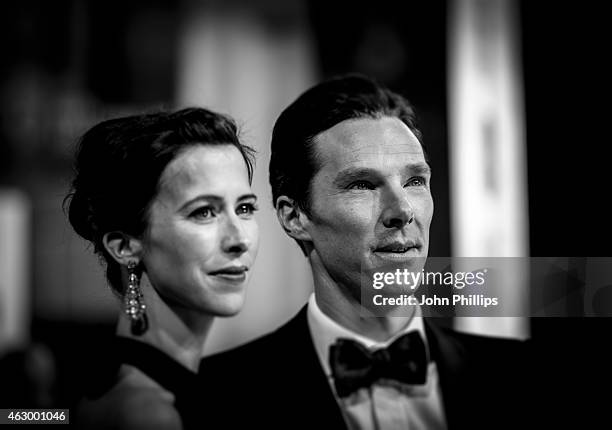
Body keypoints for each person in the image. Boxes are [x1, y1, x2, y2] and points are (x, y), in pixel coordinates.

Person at [199, 75, 528, 429]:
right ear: (294, 216)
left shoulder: (520, 377)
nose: (402, 211)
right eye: (362, 185)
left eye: (415, 181)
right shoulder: (214, 397)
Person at [64, 107, 259, 430]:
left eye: (245, 208)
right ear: (125, 246)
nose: (239, 239)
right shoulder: (149, 413)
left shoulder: (112, 387)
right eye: (203, 212)